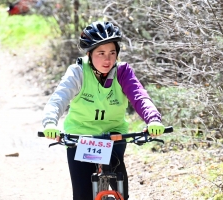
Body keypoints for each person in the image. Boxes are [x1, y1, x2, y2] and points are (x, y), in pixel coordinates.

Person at [42, 21, 165, 200]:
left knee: (121, 191)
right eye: (101, 53)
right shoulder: (78, 72)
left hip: (114, 136)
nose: (107, 59)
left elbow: (140, 97)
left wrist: (153, 119)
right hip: (80, 138)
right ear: (89, 54)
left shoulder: (123, 72)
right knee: (83, 195)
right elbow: (58, 99)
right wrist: (50, 123)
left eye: (112, 53)